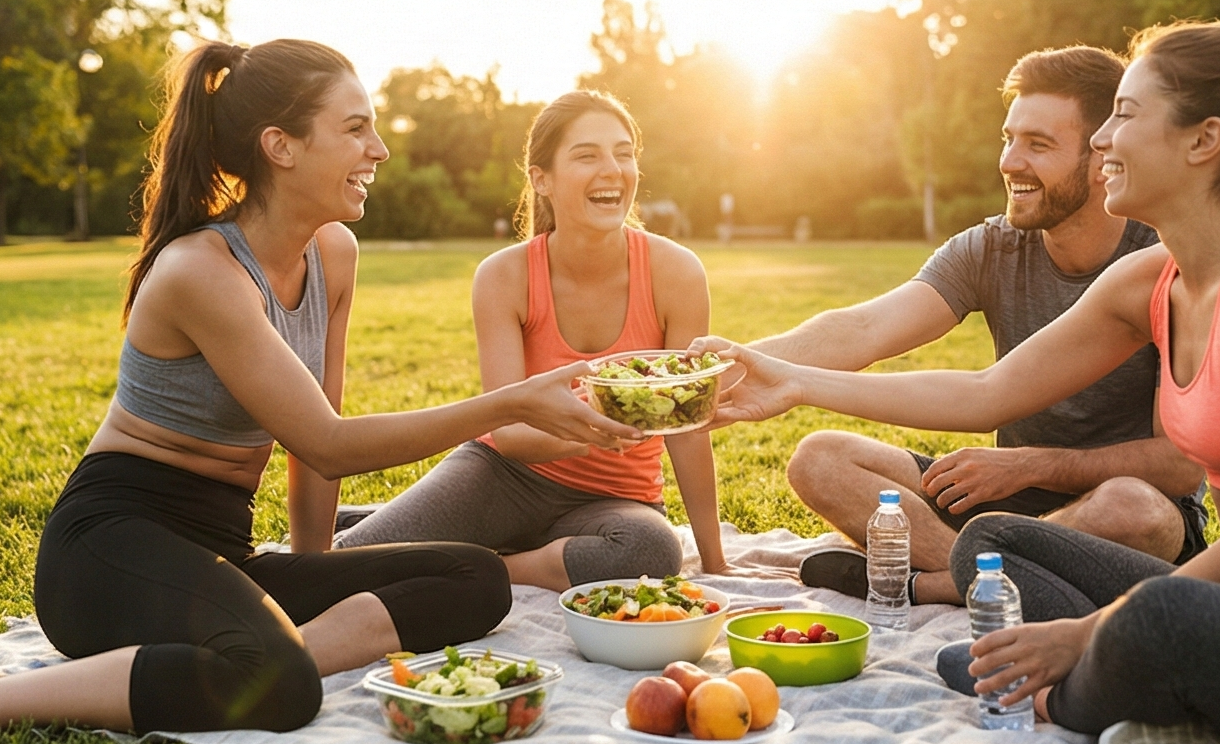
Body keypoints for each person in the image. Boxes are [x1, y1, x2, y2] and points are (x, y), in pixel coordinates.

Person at [0, 40, 641, 735]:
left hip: (224, 550)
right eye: (355, 128)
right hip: (109, 551)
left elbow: (311, 449)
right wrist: (512, 402)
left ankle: (277, 655)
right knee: (274, 686)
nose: (380, 150)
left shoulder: (332, 252)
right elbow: (329, 444)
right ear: (281, 146)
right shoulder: (202, 272)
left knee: (478, 579)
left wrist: (313, 568)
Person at [691, 20, 1220, 735]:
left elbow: (1177, 475)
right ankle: (1039, 625)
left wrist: (1081, 634)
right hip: (1072, 532)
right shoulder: (1146, 281)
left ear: (1203, 139)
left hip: (1150, 532)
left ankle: (1054, 678)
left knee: (1152, 605)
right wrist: (779, 378)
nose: (1102, 144)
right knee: (989, 539)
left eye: (1122, 117)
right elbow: (983, 391)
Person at [747, 45, 1205, 606]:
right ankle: (980, 574)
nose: (1010, 162)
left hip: (1112, 503)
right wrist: (730, 368)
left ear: (1099, 155)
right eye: (1009, 139)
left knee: (1134, 509)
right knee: (821, 458)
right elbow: (864, 328)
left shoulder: (1158, 269)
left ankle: (938, 582)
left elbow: (1179, 466)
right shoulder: (993, 247)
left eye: (1038, 145)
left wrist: (1033, 464)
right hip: (1001, 496)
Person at [334, 90, 754, 590]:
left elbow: (688, 425)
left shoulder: (676, 273)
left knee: (653, 549)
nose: (612, 170)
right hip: (503, 477)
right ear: (542, 179)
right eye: (587, 155)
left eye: (624, 154)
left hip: (616, 502)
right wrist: (599, 427)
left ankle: (487, 564)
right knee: (349, 566)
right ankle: (394, 526)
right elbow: (509, 433)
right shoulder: (504, 276)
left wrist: (715, 560)